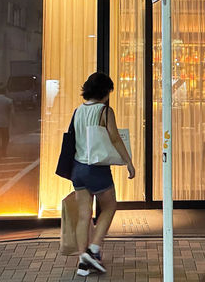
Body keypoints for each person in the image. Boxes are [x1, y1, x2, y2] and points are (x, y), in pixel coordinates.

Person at [71, 73, 135, 277]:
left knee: (83, 215)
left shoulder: (77, 111)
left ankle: (83, 261)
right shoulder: (105, 111)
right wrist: (129, 162)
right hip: (95, 168)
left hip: (77, 168)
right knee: (109, 206)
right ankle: (94, 249)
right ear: (105, 92)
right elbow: (115, 138)